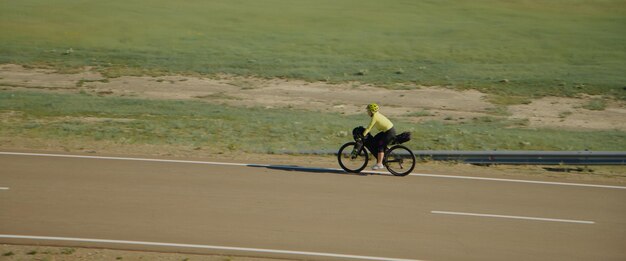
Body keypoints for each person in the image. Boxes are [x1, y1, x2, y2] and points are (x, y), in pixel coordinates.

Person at [363, 103, 396, 170]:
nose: (367, 112)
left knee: (380, 145)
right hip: (387, 131)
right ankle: (384, 152)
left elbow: (369, 127)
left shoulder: (375, 116)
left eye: (368, 111)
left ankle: (380, 164)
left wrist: (363, 135)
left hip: (389, 132)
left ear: (371, 111)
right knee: (375, 139)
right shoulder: (376, 115)